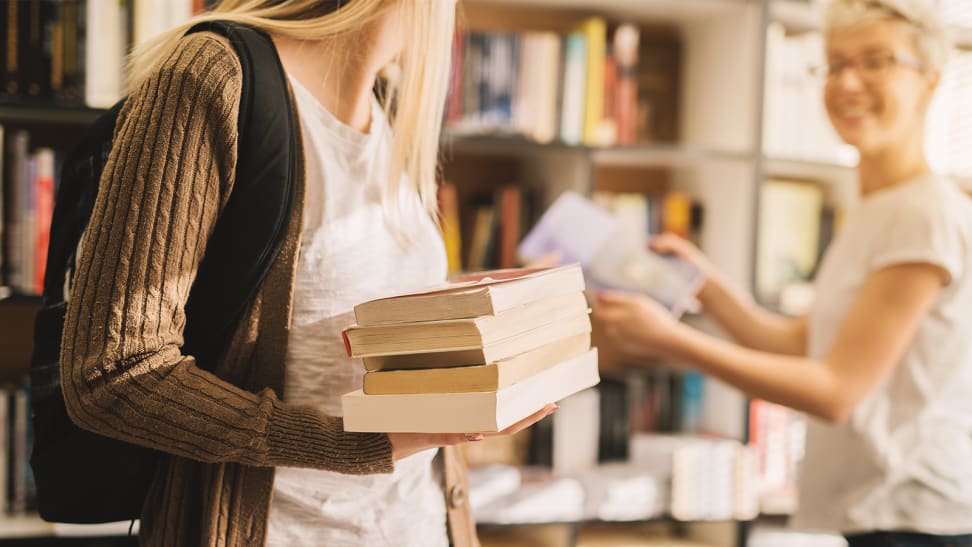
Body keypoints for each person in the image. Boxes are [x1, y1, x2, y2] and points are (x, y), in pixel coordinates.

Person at [58, 1, 554, 546]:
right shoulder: (212, 75)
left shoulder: (388, 105)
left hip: (419, 525)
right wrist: (350, 443)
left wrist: (466, 320)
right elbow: (112, 371)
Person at [594, 1, 972, 545]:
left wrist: (673, 341)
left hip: (914, 515)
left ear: (931, 83)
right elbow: (804, 342)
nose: (847, 83)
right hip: (879, 510)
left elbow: (837, 390)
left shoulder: (923, 215)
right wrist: (706, 285)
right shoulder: (875, 208)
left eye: (875, 61)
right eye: (835, 63)